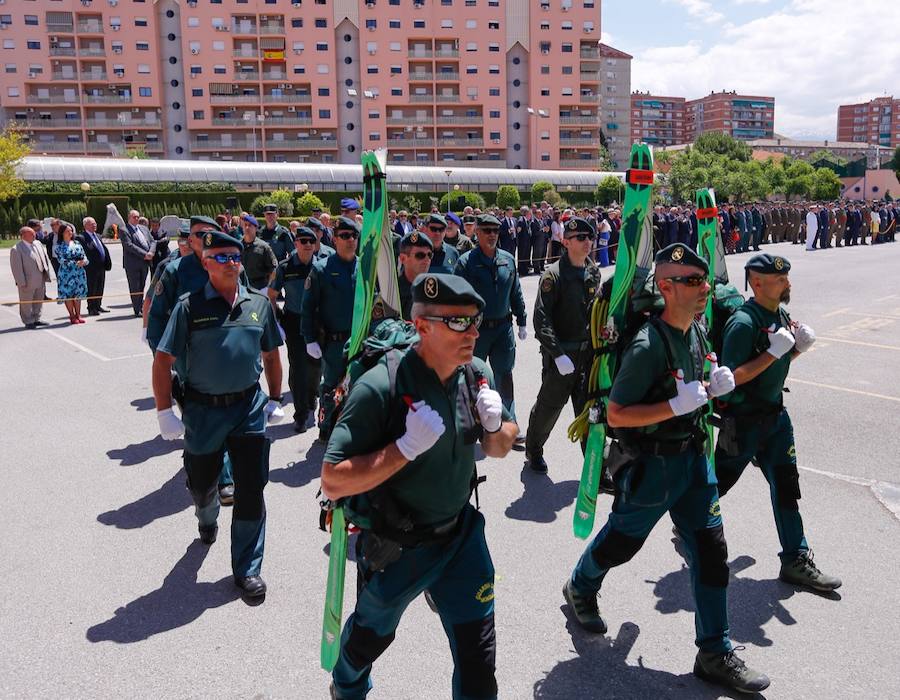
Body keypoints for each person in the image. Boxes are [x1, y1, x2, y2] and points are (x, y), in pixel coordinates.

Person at [564, 243, 770, 694]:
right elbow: (617, 413)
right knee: (622, 541)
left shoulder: (696, 330)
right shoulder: (646, 344)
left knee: (712, 553)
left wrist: (715, 382)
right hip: (655, 467)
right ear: (665, 286)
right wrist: (673, 404)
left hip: (695, 461)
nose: (702, 291)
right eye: (692, 282)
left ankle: (714, 651)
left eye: (703, 282)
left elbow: (700, 373)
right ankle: (581, 585)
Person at [321, 273, 518, 700]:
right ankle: (347, 686)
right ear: (423, 325)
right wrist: (404, 449)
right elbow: (332, 480)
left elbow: (501, 447)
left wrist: (495, 425)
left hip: (460, 536)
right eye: (459, 322)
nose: (473, 332)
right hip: (399, 545)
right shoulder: (381, 386)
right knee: (364, 645)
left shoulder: (476, 375)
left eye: (476, 321)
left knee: (479, 662)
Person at [152, 230, 284, 599]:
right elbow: (164, 361)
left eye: (235, 257)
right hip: (203, 412)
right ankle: (206, 518)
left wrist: (274, 398)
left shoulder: (258, 304)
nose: (230, 263)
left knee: (251, 489)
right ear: (206, 262)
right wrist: (164, 410)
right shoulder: (189, 306)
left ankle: (247, 568)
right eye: (221, 257)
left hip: (248, 410)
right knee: (201, 483)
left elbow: (272, 355)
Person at [714, 253, 841, 594]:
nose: (787, 283)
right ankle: (690, 524)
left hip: (775, 418)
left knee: (786, 486)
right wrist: (773, 353)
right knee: (714, 487)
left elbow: (775, 361)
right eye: (779, 278)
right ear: (757, 283)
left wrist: (796, 349)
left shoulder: (780, 314)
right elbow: (730, 379)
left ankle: (795, 559)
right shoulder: (743, 322)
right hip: (742, 423)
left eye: (786, 277)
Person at [147, 215, 236, 504]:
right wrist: (165, 360)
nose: (203, 239)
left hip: (225, 356)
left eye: (210, 233)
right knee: (199, 422)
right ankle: (202, 473)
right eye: (198, 235)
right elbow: (158, 319)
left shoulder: (232, 266)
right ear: (190, 239)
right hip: (190, 362)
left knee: (224, 421)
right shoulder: (175, 271)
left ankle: (224, 478)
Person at [524, 218, 601, 473]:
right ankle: (534, 451)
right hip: (562, 356)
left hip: (586, 357)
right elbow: (541, 318)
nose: (587, 242)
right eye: (580, 238)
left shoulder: (593, 272)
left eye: (589, 237)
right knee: (548, 409)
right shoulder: (553, 275)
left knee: (589, 412)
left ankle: (595, 467)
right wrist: (557, 354)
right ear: (566, 242)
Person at [454, 214, 527, 433]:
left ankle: (508, 423)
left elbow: (516, 292)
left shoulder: (507, 259)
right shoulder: (466, 262)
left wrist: (522, 320)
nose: (492, 235)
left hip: (503, 329)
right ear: (477, 233)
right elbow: (458, 299)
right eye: (487, 231)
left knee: (504, 375)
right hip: (476, 330)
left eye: (495, 231)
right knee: (472, 377)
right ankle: (473, 424)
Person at [301, 216, 360, 442]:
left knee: (356, 385)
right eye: (345, 236)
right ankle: (326, 424)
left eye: (354, 236)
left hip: (359, 339)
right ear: (335, 239)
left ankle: (351, 427)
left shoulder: (364, 268)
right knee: (331, 388)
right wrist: (309, 339)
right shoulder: (322, 268)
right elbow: (308, 307)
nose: (350, 240)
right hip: (333, 342)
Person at [268, 226, 321, 433]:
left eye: (311, 241)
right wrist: (275, 321)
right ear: (296, 243)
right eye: (303, 241)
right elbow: (272, 294)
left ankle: (311, 397)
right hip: (294, 322)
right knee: (298, 368)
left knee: (316, 367)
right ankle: (300, 415)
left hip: (318, 324)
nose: (308, 245)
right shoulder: (285, 267)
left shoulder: (322, 265)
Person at [9, 225, 54, 329]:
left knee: (38, 301)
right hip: (27, 281)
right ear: (23, 236)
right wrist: (21, 282)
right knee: (26, 302)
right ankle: (28, 320)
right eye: (31, 234)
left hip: (40, 279)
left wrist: (46, 274)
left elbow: (44, 258)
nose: (35, 235)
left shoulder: (37, 244)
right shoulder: (16, 249)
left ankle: (36, 318)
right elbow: (17, 269)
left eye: (34, 233)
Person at [121, 209, 155, 317]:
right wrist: (144, 254)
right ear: (129, 218)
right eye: (134, 217)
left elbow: (153, 241)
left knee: (142, 285)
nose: (136, 219)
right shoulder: (124, 230)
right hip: (133, 264)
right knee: (135, 287)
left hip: (145, 263)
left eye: (137, 217)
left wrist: (151, 252)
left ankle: (141, 306)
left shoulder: (144, 228)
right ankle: (137, 309)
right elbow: (129, 245)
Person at [54, 223, 89, 325]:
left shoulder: (77, 244)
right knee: (68, 295)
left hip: (79, 273)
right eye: (67, 231)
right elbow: (61, 260)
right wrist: (75, 263)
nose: (70, 233)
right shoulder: (59, 247)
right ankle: (72, 315)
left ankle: (78, 315)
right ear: (62, 233)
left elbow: (85, 257)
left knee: (78, 294)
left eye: (71, 231)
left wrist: (84, 262)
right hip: (66, 274)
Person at [78, 216, 112, 316]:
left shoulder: (97, 236)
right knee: (91, 288)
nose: (95, 225)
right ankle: (91, 307)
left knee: (100, 287)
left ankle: (98, 305)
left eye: (95, 223)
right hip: (91, 268)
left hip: (101, 266)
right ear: (85, 226)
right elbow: (83, 252)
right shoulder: (81, 237)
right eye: (92, 224)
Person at [397, 230, 434, 319]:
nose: (427, 260)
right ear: (403, 258)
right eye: (420, 255)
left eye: (429, 255)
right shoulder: (392, 291)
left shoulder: (435, 289)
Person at [239, 213, 278, 291]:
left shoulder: (263, 246)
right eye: (245, 225)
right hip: (241, 287)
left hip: (260, 287)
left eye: (250, 225)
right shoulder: (238, 246)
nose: (247, 228)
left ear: (256, 228)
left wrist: (268, 288)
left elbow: (274, 268)